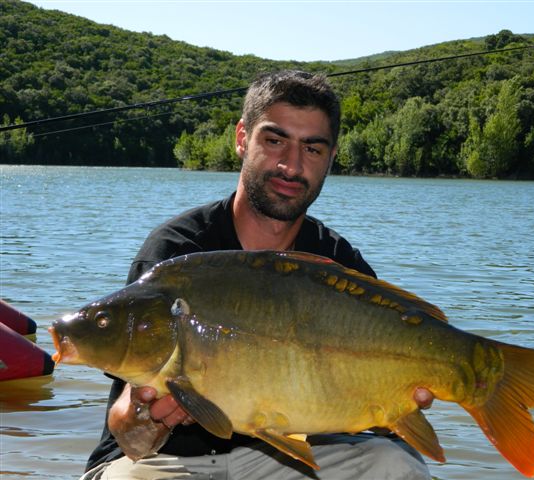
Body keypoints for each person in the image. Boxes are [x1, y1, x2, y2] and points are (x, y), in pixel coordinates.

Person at [81, 70, 435, 480]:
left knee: (394, 464)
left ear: (331, 158)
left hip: (285, 458)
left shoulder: (338, 264)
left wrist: (399, 398)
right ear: (242, 138)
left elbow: (361, 411)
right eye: (274, 140)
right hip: (168, 462)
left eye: (312, 148)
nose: (292, 165)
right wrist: (148, 417)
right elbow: (129, 438)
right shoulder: (178, 254)